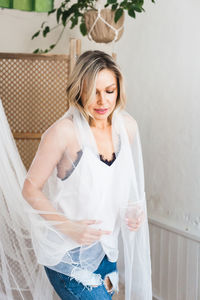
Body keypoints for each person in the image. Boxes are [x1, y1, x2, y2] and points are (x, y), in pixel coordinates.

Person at [22, 50, 152, 300]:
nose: (102, 101)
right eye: (93, 91)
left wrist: (132, 212)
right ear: (78, 91)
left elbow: (119, 187)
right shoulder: (64, 133)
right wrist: (69, 227)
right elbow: (30, 188)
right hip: (67, 254)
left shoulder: (128, 129)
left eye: (109, 90)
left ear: (119, 90)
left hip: (107, 253)